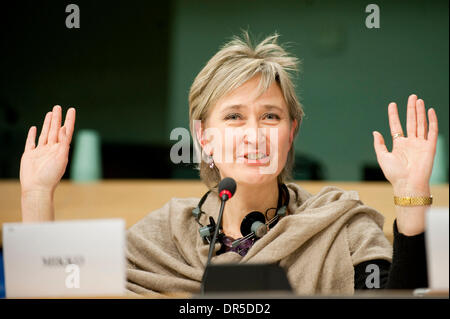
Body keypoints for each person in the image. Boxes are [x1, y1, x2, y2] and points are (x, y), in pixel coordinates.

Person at [20, 31, 439, 296]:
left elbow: (397, 297)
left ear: (291, 133)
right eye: (234, 116)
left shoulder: (339, 225)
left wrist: (410, 197)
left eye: (270, 117)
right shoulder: (160, 236)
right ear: (203, 136)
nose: (253, 133)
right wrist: (37, 194)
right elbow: (54, 292)